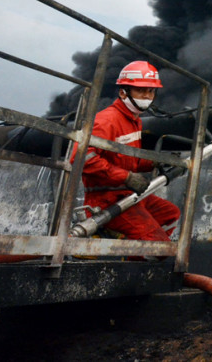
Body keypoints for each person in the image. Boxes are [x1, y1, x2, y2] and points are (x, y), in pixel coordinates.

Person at [77, 60, 180, 242]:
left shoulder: (134, 120)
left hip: (126, 195)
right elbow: (81, 158)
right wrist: (126, 178)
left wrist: (156, 161)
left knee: (170, 214)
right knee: (157, 244)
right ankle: (132, 261)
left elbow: (128, 160)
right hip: (104, 199)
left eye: (151, 91)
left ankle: (128, 250)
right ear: (123, 91)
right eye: (141, 90)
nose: (147, 96)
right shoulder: (107, 120)